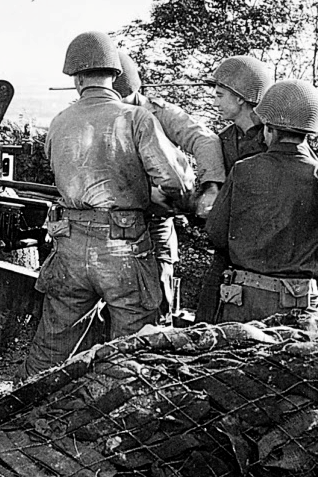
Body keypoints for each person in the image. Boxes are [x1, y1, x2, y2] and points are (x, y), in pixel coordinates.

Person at [18, 32, 190, 380]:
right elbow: (175, 181)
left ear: (76, 78)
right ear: (115, 74)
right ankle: (122, 409)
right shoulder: (136, 118)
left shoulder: (59, 121)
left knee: (54, 342)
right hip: (123, 245)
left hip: (69, 242)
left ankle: (25, 402)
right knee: (133, 347)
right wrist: (160, 199)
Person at [205, 79, 318, 322]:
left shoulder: (242, 170)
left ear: (268, 128)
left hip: (243, 300)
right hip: (298, 304)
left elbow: (216, 231)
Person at [113, 51, 225, 321]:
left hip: (154, 223)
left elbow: (204, 140)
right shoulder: (95, 115)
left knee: (158, 302)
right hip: (111, 225)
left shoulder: (158, 113)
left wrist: (211, 187)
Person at [195, 54, 275, 323]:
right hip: (228, 250)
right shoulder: (224, 140)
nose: (214, 102)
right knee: (206, 321)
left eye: (220, 95)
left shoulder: (276, 138)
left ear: (240, 98)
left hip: (267, 255)